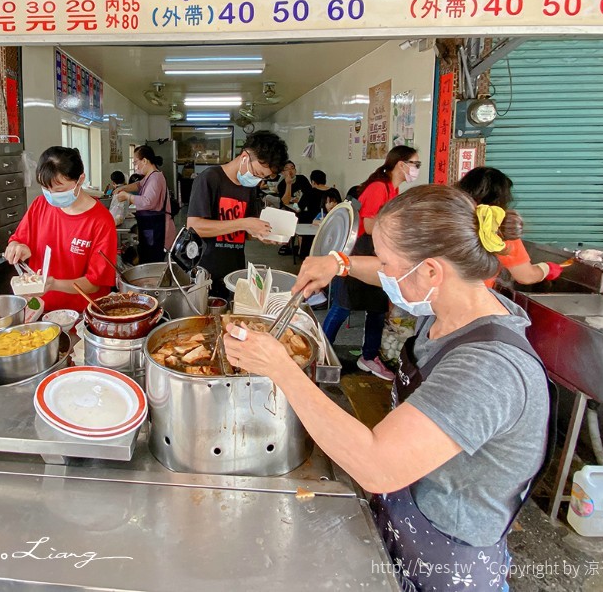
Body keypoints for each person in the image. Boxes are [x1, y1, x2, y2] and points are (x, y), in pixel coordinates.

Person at [223, 185, 549, 591]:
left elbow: (377, 466)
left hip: (448, 559)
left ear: (431, 272)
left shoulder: (487, 369)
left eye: (388, 263)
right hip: (404, 518)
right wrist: (339, 263)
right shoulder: (451, 307)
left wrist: (281, 368)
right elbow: (385, 271)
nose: (383, 273)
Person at [322, 145, 420, 381]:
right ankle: (321, 351)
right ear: (401, 164)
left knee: (376, 309)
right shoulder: (378, 187)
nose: (416, 169)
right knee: (342, 306)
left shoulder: (392, 189)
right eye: (415, 164)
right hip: (360, 253)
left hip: (379, 255)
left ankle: (368, 356)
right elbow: (368, 225)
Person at [5, 146, 117, 313]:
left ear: (80, 179)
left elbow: (94, 283)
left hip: (81, 314)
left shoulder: (100, 221)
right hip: (40, 310)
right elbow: (18, 239)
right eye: (46, 189)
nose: (51, 195)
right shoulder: (40, 205)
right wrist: (16, 247)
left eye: (59, 190)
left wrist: (53, 284)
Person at [186, 130, 289, 298]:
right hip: (205, 273)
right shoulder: (210, 178)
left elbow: (243, 232)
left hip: (235, 272)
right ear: (245, 157)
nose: (257, 180)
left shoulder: (249, 188)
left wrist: (260, 235)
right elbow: (194, 226)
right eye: (257, 173)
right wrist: (244, 223)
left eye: (263, 177)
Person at [456, 167, 563, 287]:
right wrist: (547, 268)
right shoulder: (500, 228)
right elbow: (526, 276)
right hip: (474, 296)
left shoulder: (449, 219)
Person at [113, 145, 177, 263]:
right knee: (147, 257)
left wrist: (127, 196)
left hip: (157, 229)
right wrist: (123, 188)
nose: (135, 166)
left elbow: (148, 202)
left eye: (135, 162)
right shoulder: (150, 176)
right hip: (151, 227)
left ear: (145, 161)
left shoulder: (155, 178)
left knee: (153, 261)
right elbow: (139, 184)